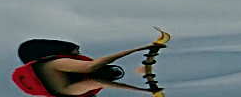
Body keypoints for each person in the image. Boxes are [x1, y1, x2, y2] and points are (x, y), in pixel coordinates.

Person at [11, 38, 161, 95]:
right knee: (90, 72)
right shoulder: (54, 68)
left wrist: (145, 90)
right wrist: (140, 48)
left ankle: (144, 89)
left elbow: (96, 76)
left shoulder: (52, 66)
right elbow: (95, 74)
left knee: (90, 72)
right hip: (56, 87)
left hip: (54, 83)